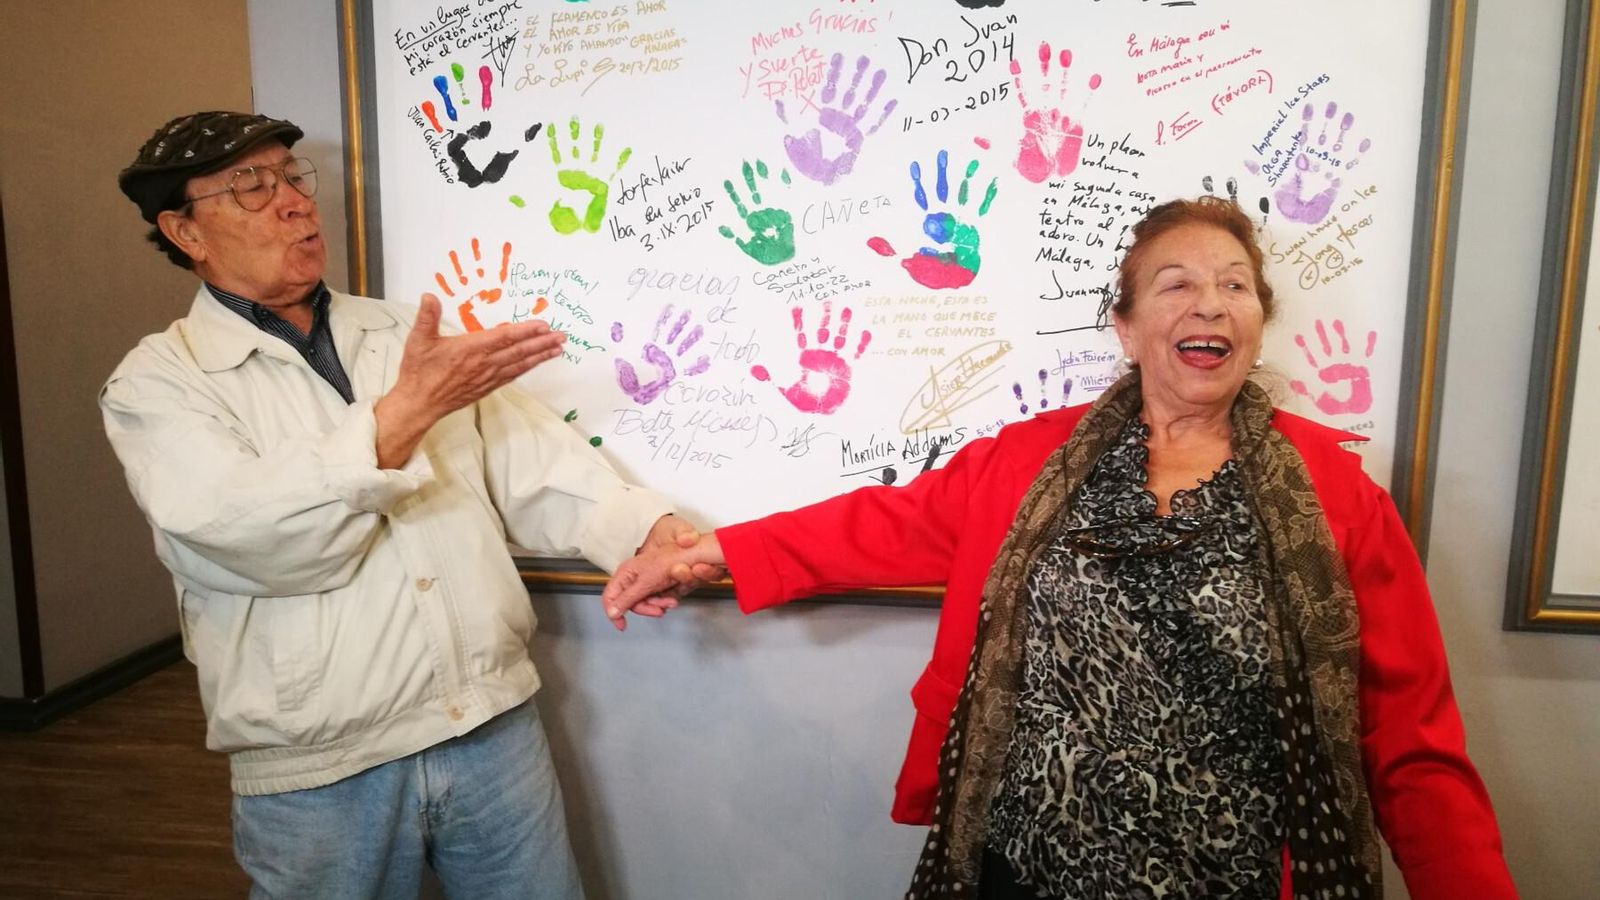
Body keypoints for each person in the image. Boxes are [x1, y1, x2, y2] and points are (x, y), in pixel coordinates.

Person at [603, 197, 1517, 899]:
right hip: (1028, 859)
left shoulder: (1337, 493)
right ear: (1126, 327)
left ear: (1257, 319)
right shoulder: (1030, 461)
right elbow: (885, 524)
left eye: (1235, 284)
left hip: (1234, 873)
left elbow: (1411, 741)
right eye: (1179, 284)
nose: (1212, 304)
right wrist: (711, 551)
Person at [102, 110, 699, 899]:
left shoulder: (401, 336)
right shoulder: (157, 383)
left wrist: (651, 534)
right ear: (185, 231)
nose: (291, 201)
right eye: (249, 186)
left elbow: (537, 466)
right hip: (322, 764)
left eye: (290, 175)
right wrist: (404, 414)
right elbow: (237, 532)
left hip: (490, 725)